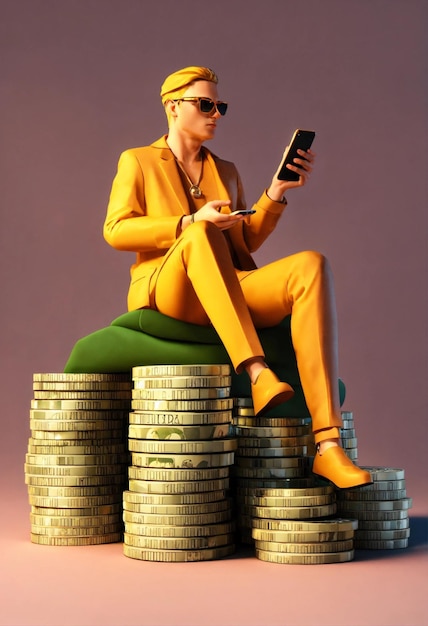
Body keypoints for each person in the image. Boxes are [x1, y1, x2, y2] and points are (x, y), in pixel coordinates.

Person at [103, 66, 372, 489]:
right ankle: (257, 372)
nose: (216, 114)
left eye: (220, 106)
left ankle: (328, 446)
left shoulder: (225, 170)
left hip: (229, 282)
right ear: (173, 107)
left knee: (311, 264)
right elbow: (115, 229)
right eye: (205, 104)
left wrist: (276, 193)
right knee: (199, 232)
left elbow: (246, 240)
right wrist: (191, 221)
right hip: (172, 287)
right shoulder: (136, 160)